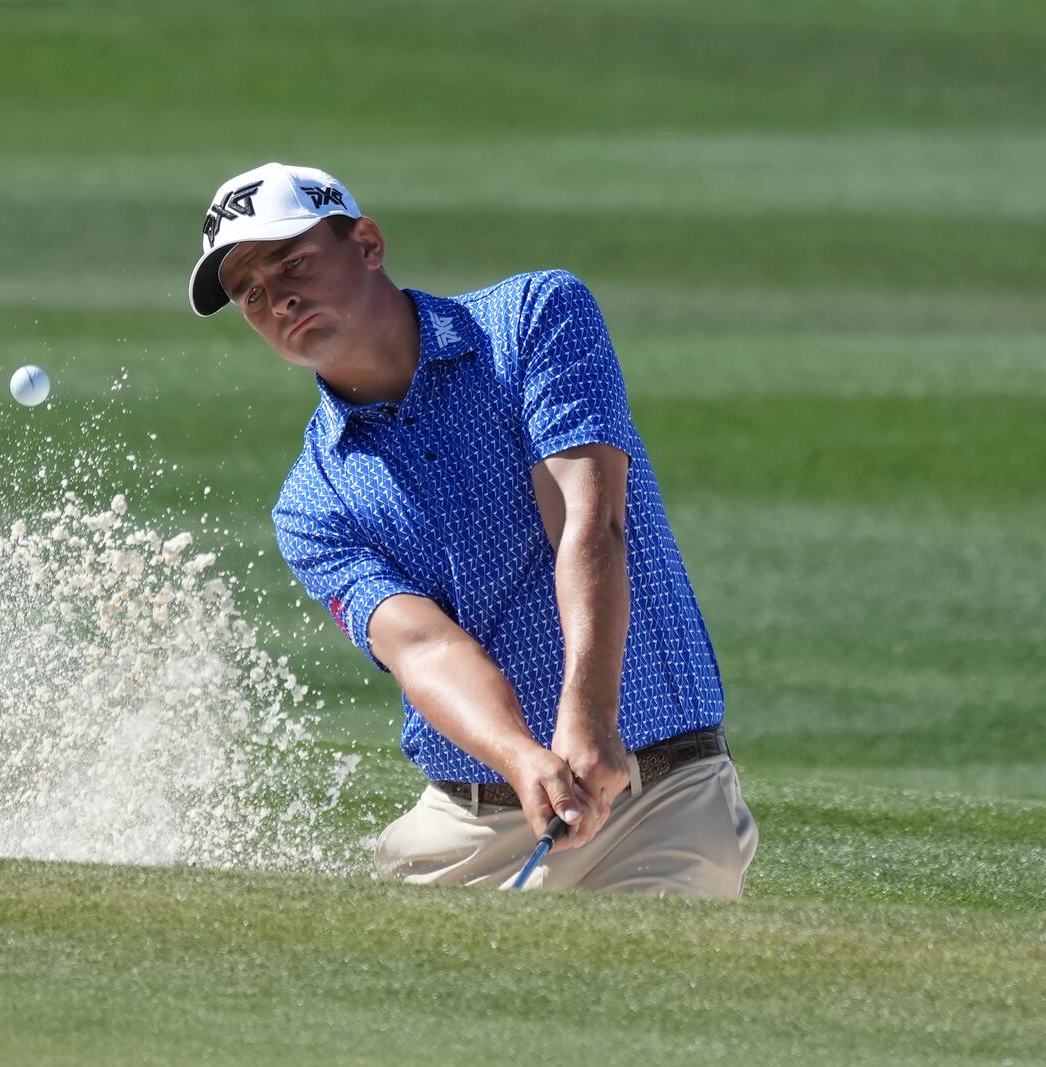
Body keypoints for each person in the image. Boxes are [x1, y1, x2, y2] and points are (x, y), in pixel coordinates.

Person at [187, 162, 757, 895]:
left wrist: (587, 715)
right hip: (469, 822)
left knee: (628, 999)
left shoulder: (533, 318)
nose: (279, 298)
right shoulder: (311, 503)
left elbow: (588, 520)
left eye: (293, 261)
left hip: (659, 793)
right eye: (252, 293)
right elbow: (424, 650)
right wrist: (524, 757)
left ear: (366, 243)